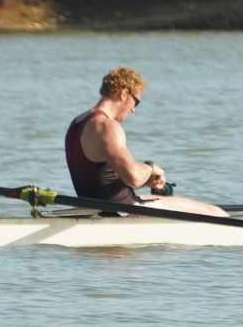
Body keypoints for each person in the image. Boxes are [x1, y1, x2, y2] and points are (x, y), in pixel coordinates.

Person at [65, 67, 226, 217]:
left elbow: (98, 178)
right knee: (216, 212)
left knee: (165, 200)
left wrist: (146, 180)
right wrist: (151, 168)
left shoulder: (77, 123)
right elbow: (133, 178)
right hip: (123, 211)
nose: (134, 109)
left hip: (96, 209)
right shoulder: (107, 127)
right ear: (123, 94)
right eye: (136, 101)